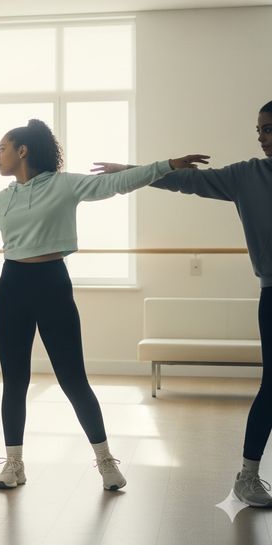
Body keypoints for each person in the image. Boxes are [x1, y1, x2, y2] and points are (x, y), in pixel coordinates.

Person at [0, 119, 207, 491]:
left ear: (23, 151)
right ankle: (14, 465)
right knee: (14, 381)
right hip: (13, 288)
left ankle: (105, 461)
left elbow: (116, 184)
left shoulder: (64, 185)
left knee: (73, 379)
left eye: (3, 148)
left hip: (52, 285)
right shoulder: (1, 200)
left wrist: (167, 165)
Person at [94, 100, 272, 506]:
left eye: (268, 129)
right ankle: (247, 476)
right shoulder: (247, 175)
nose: (261, 138)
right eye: (259, 130)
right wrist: (132, 171)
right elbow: (187, 182)